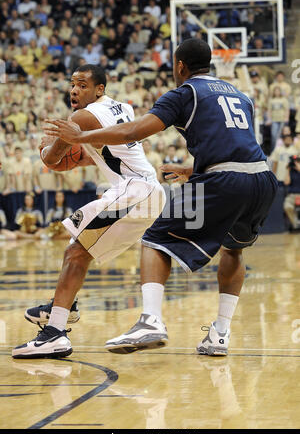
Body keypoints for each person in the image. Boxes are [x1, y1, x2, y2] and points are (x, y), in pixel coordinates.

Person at [43, 38, 278, 357]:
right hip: (262, 179)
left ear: (180, 66)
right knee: (233, 250)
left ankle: (151, 321)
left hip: (223, 181)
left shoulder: (186, 92)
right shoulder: (241, 95)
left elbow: (131, 132)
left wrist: (81, 137)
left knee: (154, 240)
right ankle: (219, 334)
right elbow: (240, 145)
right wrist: (192, 168)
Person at [12, 64, 165, 359]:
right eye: (73, 84)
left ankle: (55, 332)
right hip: (146, 192)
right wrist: (75, 155)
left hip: (132, 192)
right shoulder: (123, 108)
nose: (74, 90)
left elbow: (53, 158)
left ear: (99, 90)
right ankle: (65, 305)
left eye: (82, 85)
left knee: (74, 252)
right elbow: (103, 152)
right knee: (77, 248)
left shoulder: (81, 116)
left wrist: (46, 148)